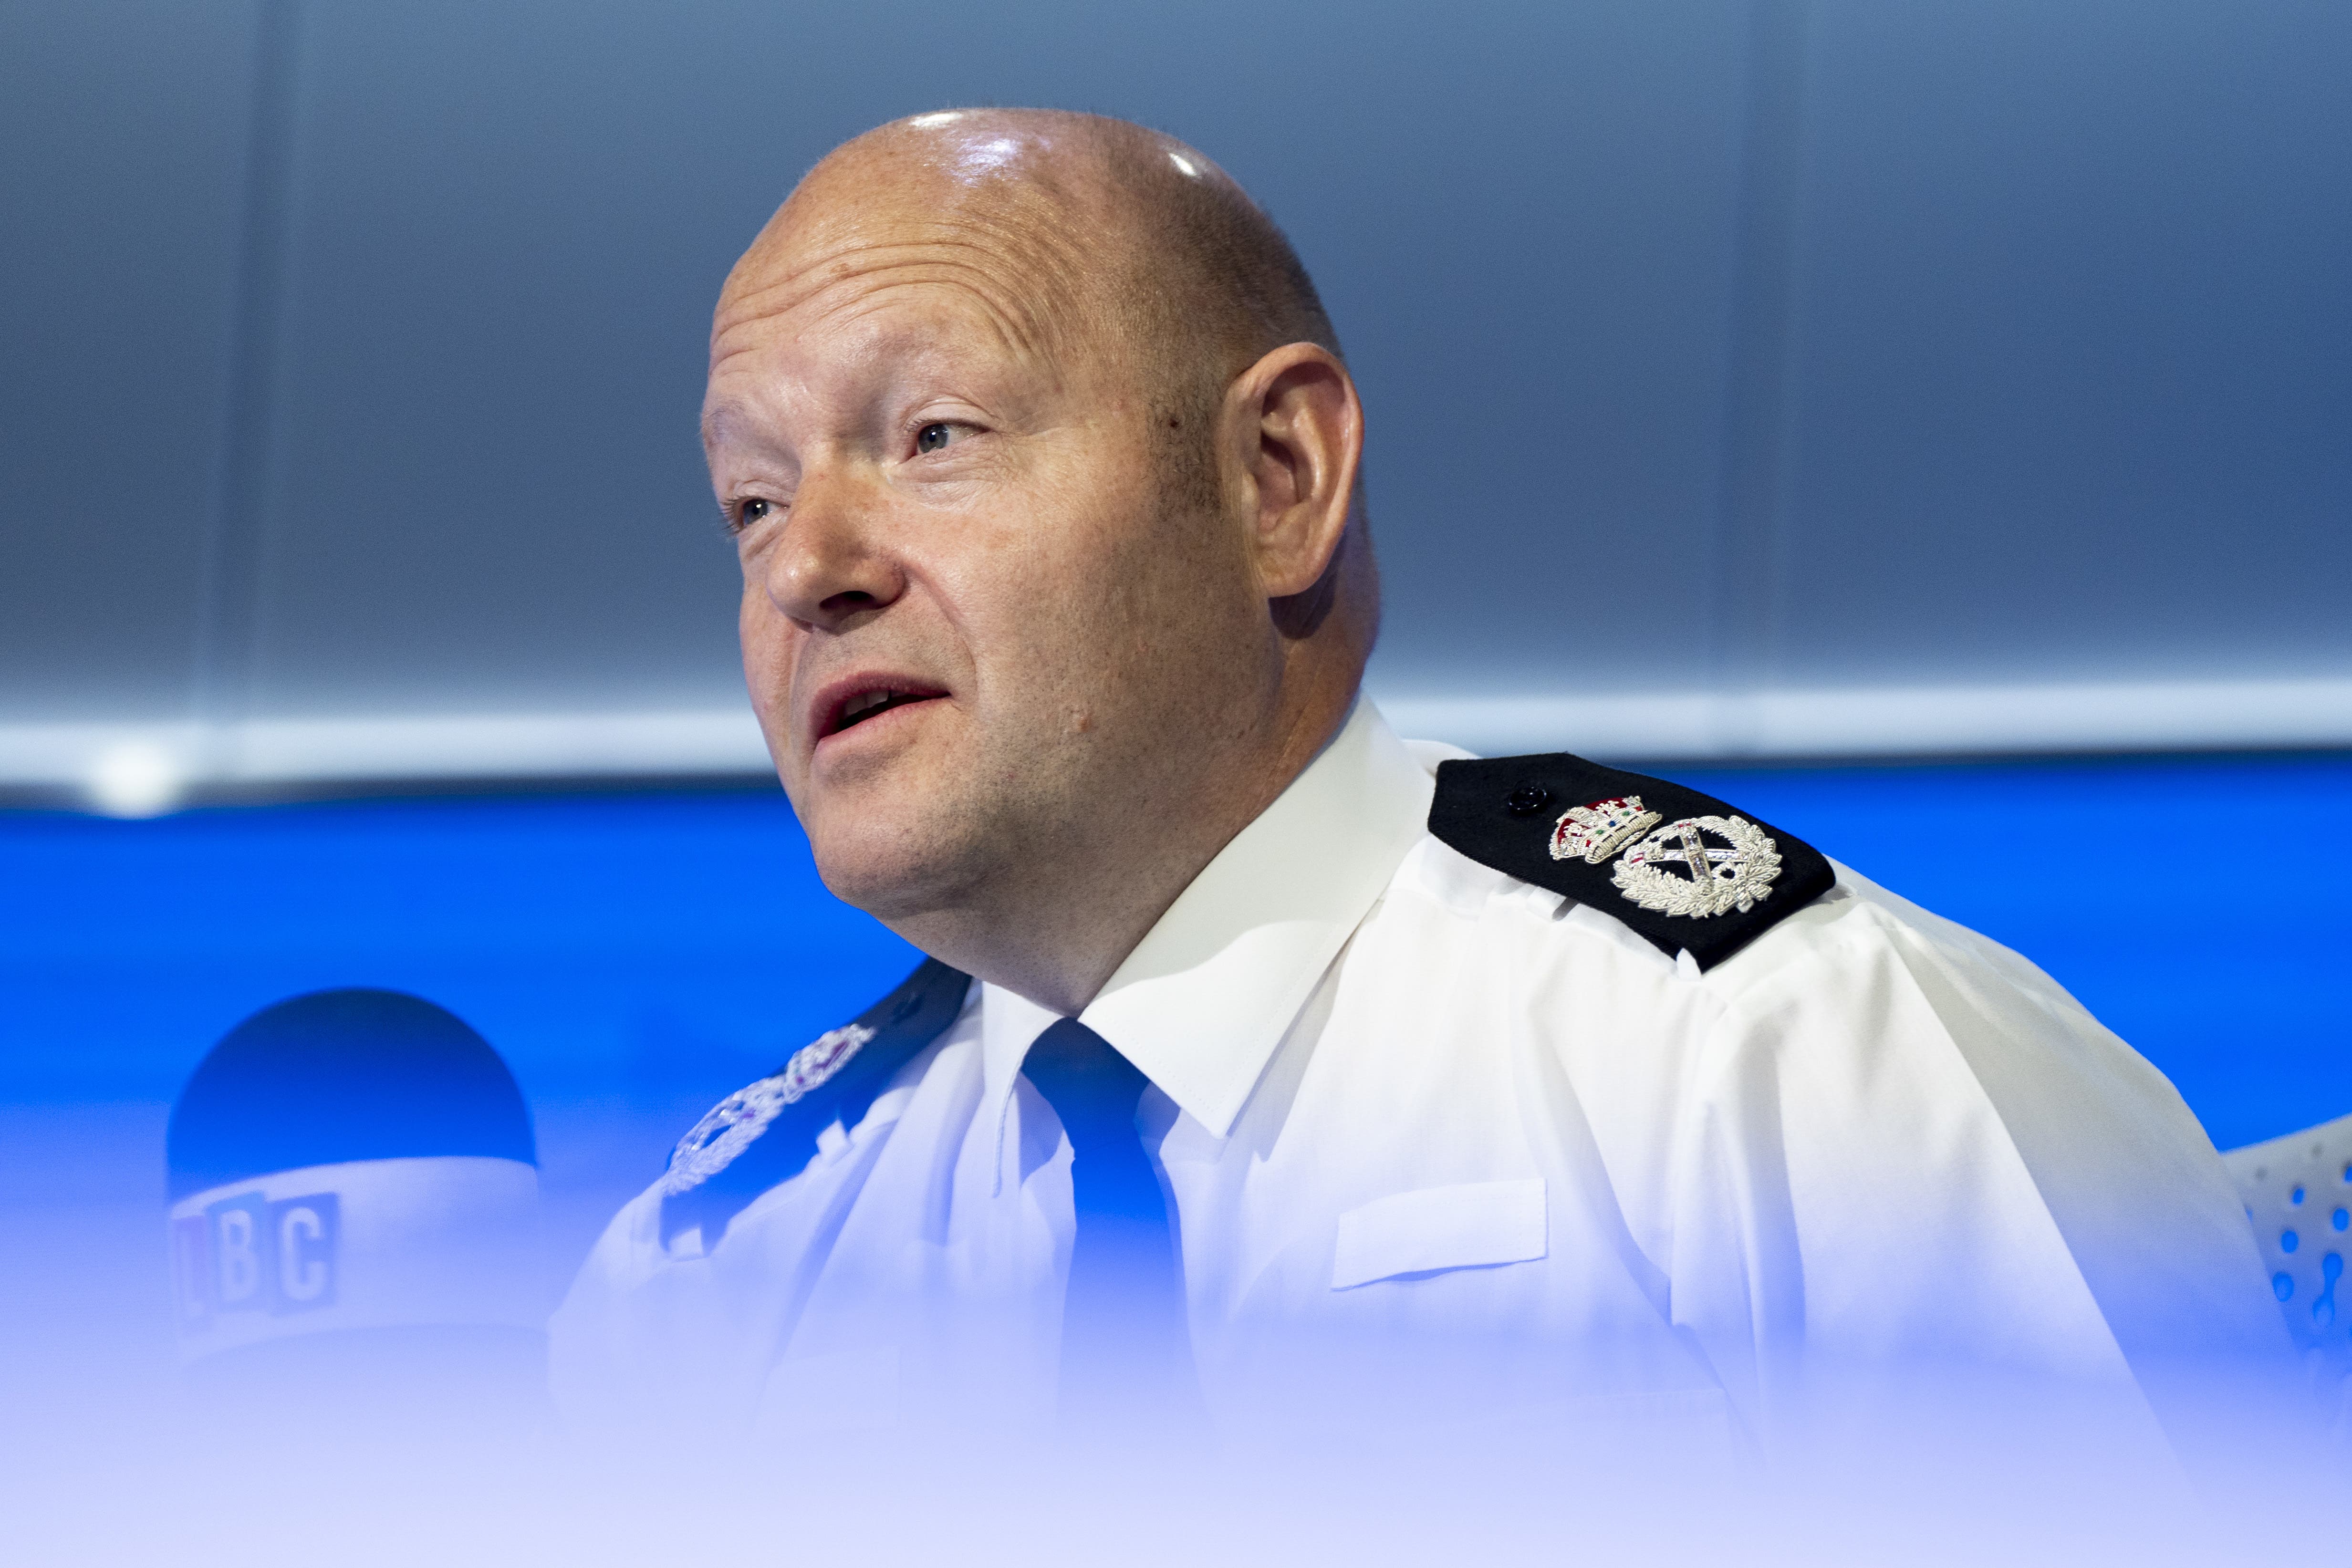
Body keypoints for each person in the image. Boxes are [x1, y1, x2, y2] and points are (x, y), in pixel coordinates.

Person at [550, 109, 2290, 1475]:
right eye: (751, 504)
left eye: (932, 435)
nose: (808, 574)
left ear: (1278, 478)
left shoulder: (1787, 1072)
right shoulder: (712, 1280)